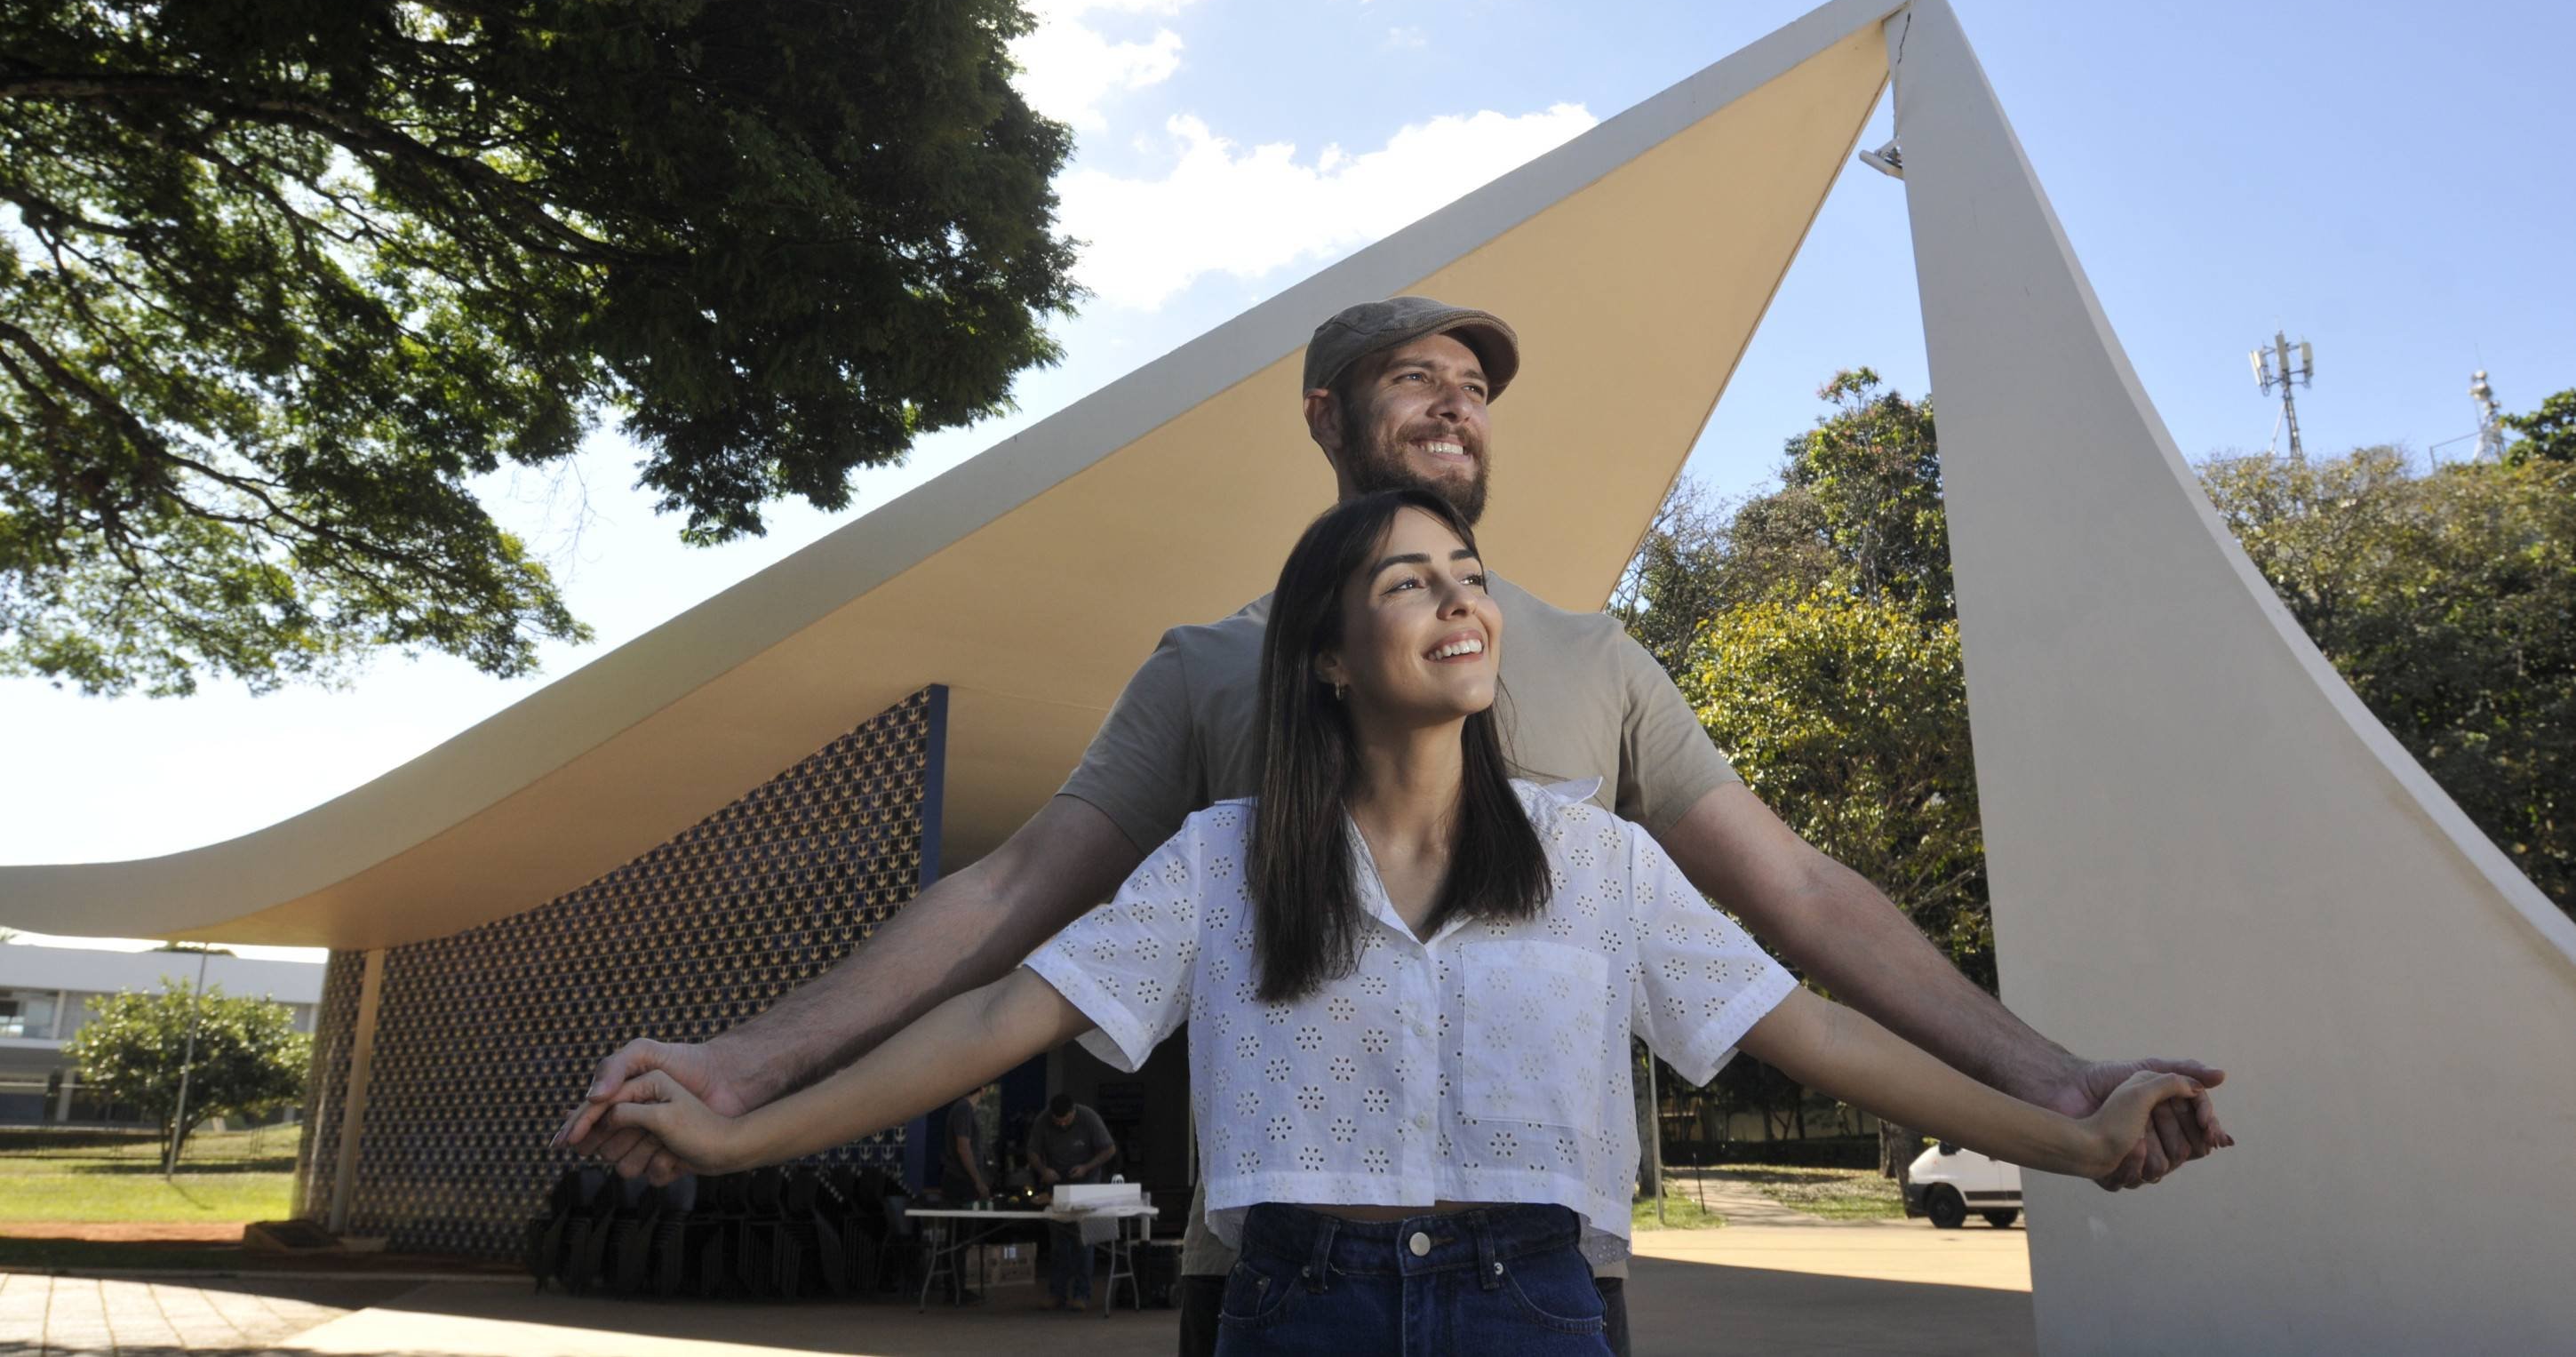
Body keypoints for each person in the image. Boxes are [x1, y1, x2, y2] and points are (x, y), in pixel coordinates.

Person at [554, 297, 2228, 1357]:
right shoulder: (1213, 671)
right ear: (1324, 417)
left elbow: (1800, 911)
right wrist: (745, 1073)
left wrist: (2058, 1091)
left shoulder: (1597, 671)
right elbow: (1008, 912)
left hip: (1543, 1278)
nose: (1453, 398)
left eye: (1475, 383)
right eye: (1409, 376)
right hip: (1269, 1275)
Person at [1030, 1093, 1120, 1308]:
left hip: (1085, 1184)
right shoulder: (1043, 1121)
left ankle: (1082, 1294)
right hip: (1057, 1185)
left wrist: (1087, 1167)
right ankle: (1057, 1293)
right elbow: (1032, 1151)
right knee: (1058, 1243)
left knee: (1083, 1241)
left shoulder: (1089, 1118)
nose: (1061, 1124)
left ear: (1074, 1112)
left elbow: (1109, 1149)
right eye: (1057, 1121)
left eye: (1065, 1120)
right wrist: (1043, 1170)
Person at [938, 1080, 995, 1206]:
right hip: (960, 1180)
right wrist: (978, 1181)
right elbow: (963, 1147)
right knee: (964, 1220)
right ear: (982, 1089)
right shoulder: (964, 1109)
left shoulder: (965, 1109)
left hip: (964, 1179)